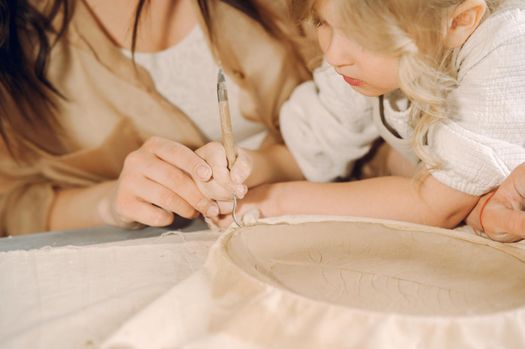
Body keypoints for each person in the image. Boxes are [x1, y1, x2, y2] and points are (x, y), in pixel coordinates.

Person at [197, 0, 525, 241]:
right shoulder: (365, 64)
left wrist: (272, 202)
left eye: (362, 36)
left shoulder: (507, 52)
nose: (334, 56)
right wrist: (239, 168)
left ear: (459, 22)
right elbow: (309, 149)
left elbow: (434, 205)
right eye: (322, 22)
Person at [0, 0, 318, 235]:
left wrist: (264, 167)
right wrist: (109, 203)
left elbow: (354, 121)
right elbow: (13, 205)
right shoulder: (15, 33)